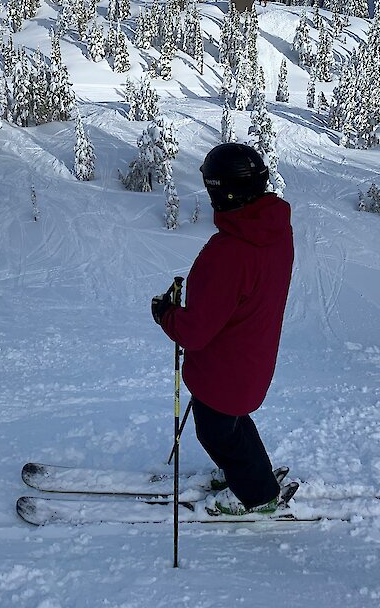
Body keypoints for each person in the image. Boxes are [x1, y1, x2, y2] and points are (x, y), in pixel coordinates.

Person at [151, 142, 294, 516]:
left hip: (225, 368)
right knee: (230, 425)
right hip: (250, 358)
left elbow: (195, 331)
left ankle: (257, 495)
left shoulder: (230, 252)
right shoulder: (274, 230)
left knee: (217, 431)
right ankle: (250, 474)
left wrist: (166, 314)